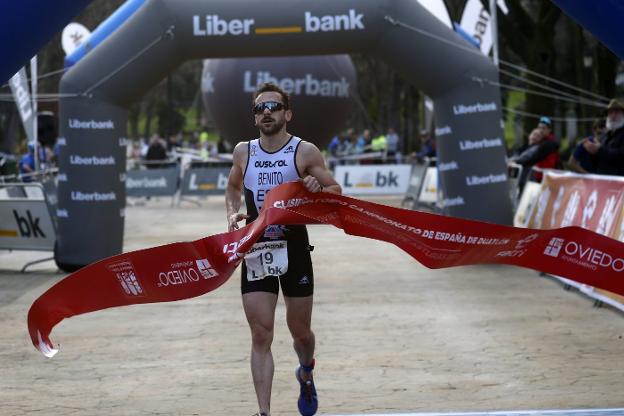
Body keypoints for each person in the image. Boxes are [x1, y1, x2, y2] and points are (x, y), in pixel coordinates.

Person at [225, 83, 341, 416]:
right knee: (261, 333)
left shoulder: (304, 152)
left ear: (287, 114)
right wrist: (233, 214)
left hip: (294, 247)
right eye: (259, 108)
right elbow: (233, 188)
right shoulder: (243, 152)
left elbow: (335, 190)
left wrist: (318, 188)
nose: (266, 113)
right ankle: (264, 412)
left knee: (300, 332)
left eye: (273, 106)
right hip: (257, 247)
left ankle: (306, 371)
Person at [583, 98, 624, 176]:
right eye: (610, 112)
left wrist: (599, 150)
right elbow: (598, 161)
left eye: (617, 112)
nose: (613, 116)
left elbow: (621, 155)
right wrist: (591, 152)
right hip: (604, 181)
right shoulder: (605, 136)